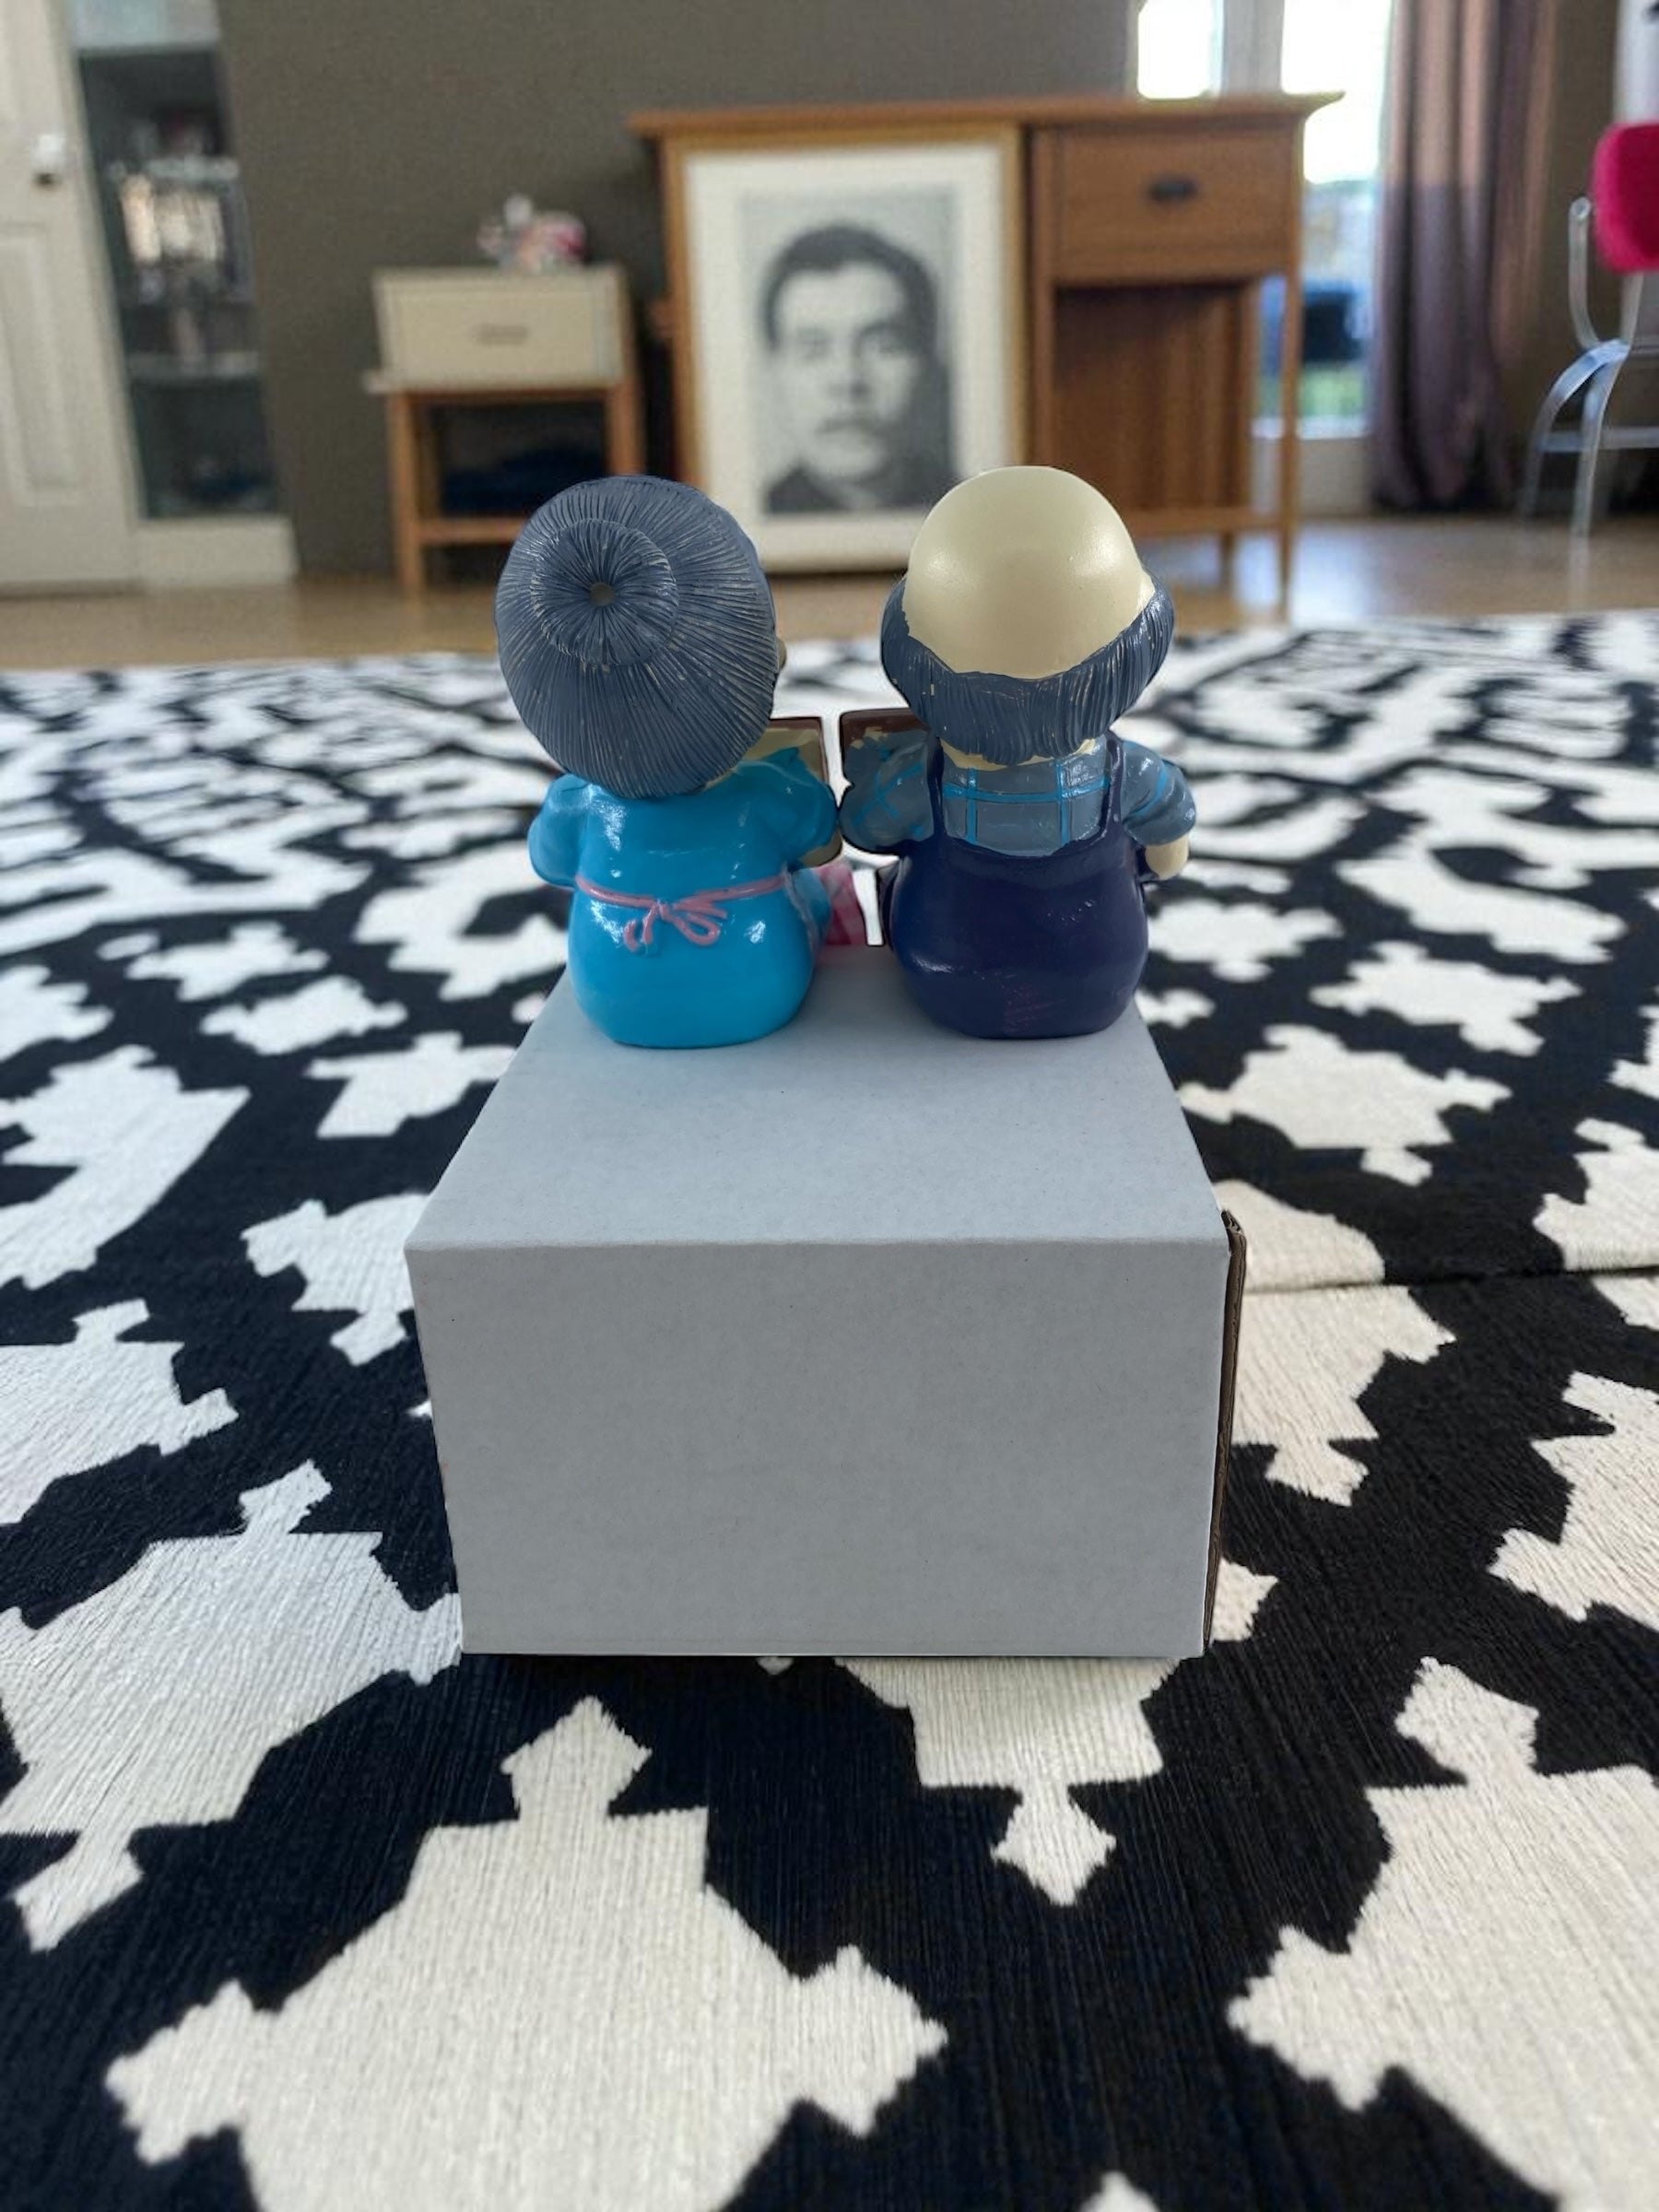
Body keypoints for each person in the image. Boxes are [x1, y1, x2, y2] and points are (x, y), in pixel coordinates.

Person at [838, 466, 1195, 1041]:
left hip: (951, 976)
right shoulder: (1139, 775)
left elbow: (862, 830)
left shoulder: (915, 783)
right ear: (1136, 657)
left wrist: (875, 774)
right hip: (1101, 975)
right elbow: (1168, 860)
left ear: (908, 659)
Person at [497, 476, 836, 1048]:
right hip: (757, 986)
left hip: (613, 994)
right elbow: (821, 839)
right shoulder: (768, 792)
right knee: (820, 888)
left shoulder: (574, 805)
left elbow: (549, 862)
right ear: (768, 664)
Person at [759, 223, 956, 516]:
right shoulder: (742, 516)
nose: (848, 380)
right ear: (775, 373)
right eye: (813, 350)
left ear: (926, 365)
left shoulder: (975, 509)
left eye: (884, 346)